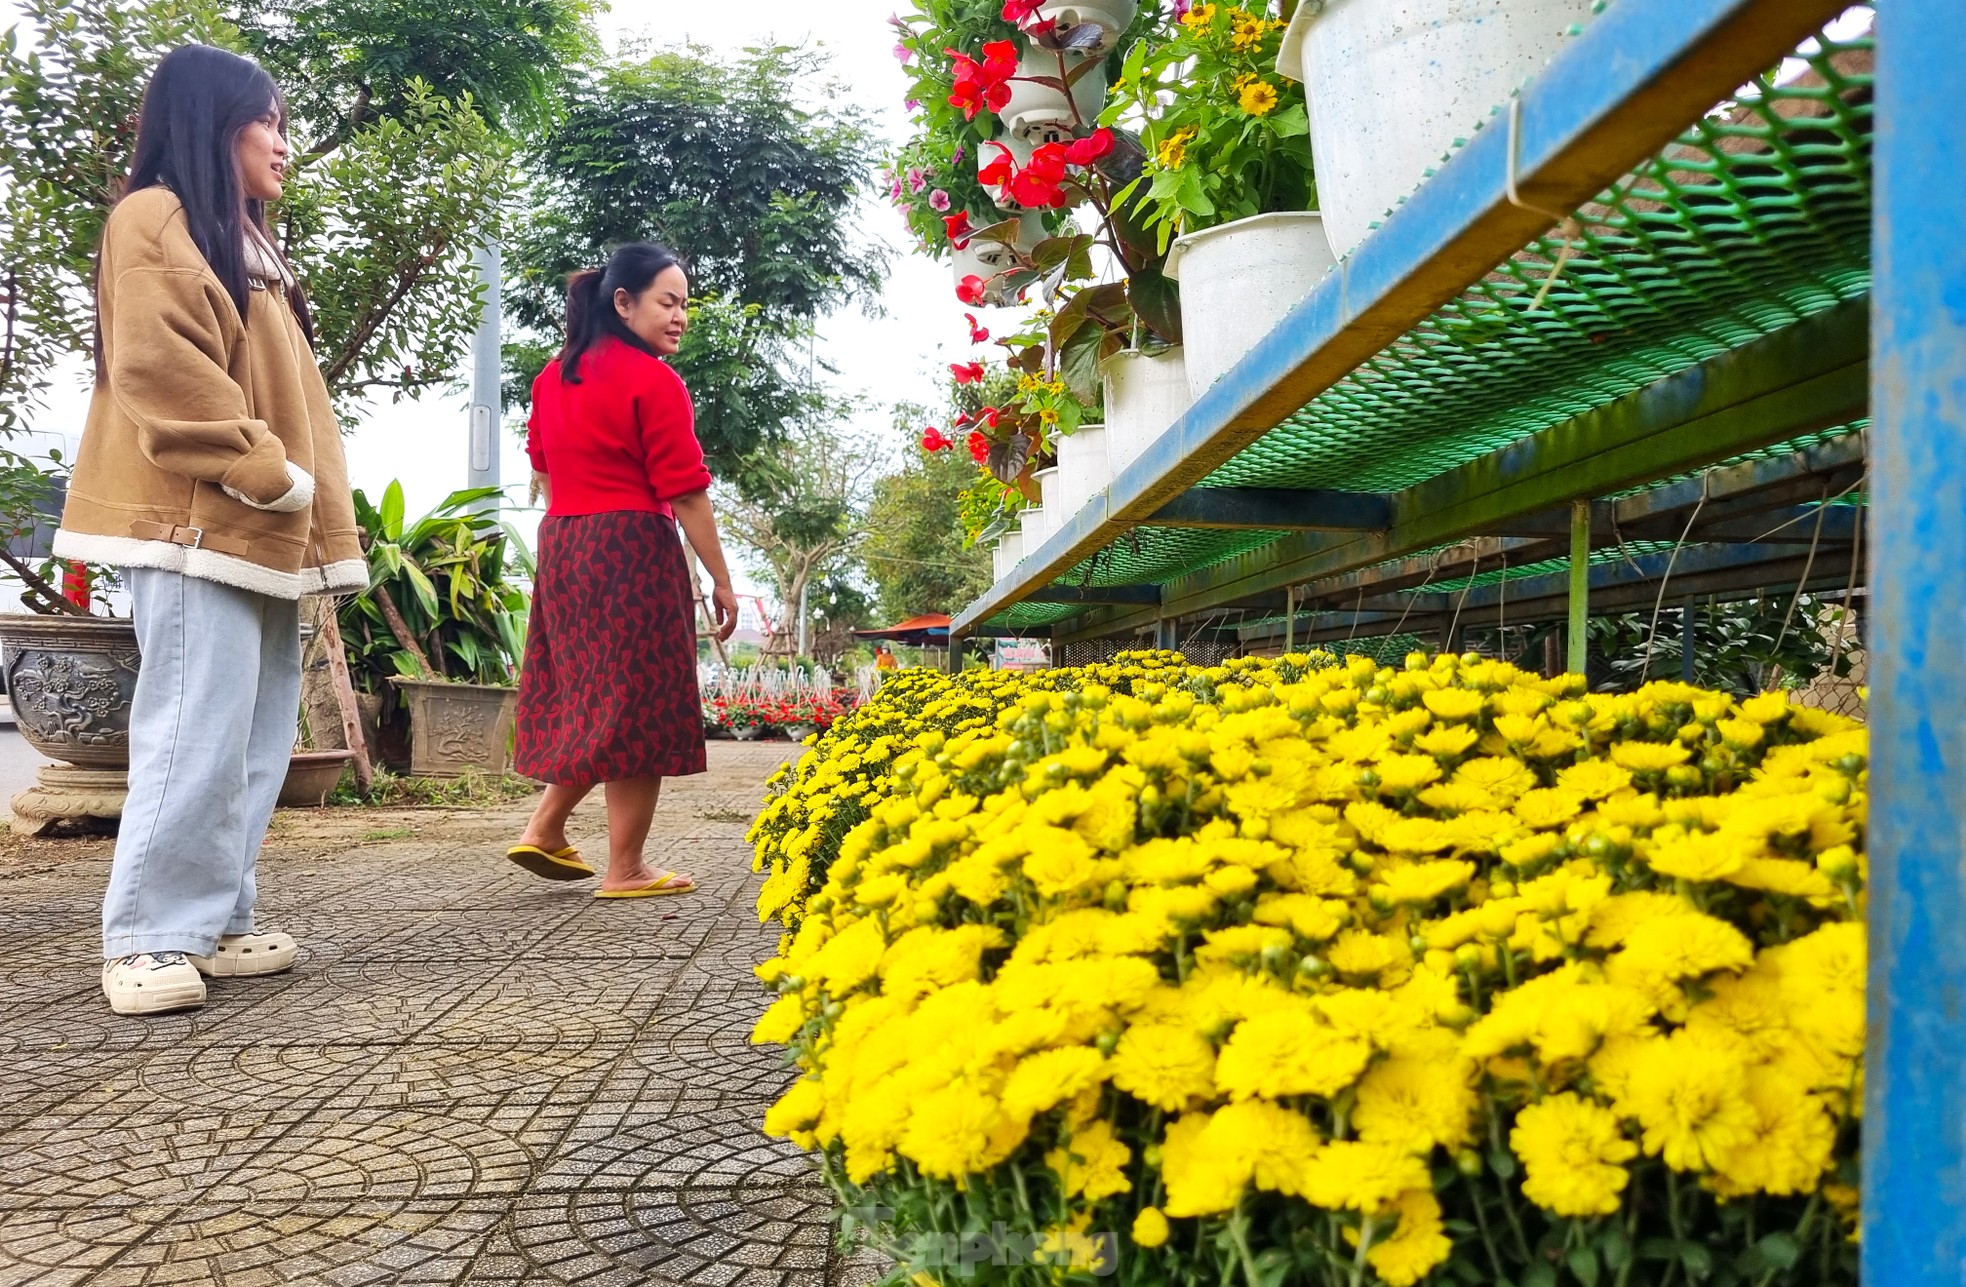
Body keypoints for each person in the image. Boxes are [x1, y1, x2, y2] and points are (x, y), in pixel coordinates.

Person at [53, 45, 367, 1016]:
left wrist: (299, 507)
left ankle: (216, 918)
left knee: (252, 737)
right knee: (194, 729)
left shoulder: (241, 235)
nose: (283, 142)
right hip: (197, 523)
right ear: (208, 123)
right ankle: (148, 932)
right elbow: (160, 367)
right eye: (266, 120)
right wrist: (261, 469)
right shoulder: (154, 218)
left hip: (258, 533)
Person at [507, 243, 739, 896]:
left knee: (594, 699)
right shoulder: (654, 381)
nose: (680, 316)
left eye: (685, 304)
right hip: (631, 543)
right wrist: (721, 579)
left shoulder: (553, 377)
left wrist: (575, 528)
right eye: (668, 301)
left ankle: (545, 828)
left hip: (565, 544)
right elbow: (687, 490)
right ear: (623, 303)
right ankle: (626, 866)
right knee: (638, 704)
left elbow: (543, 465)